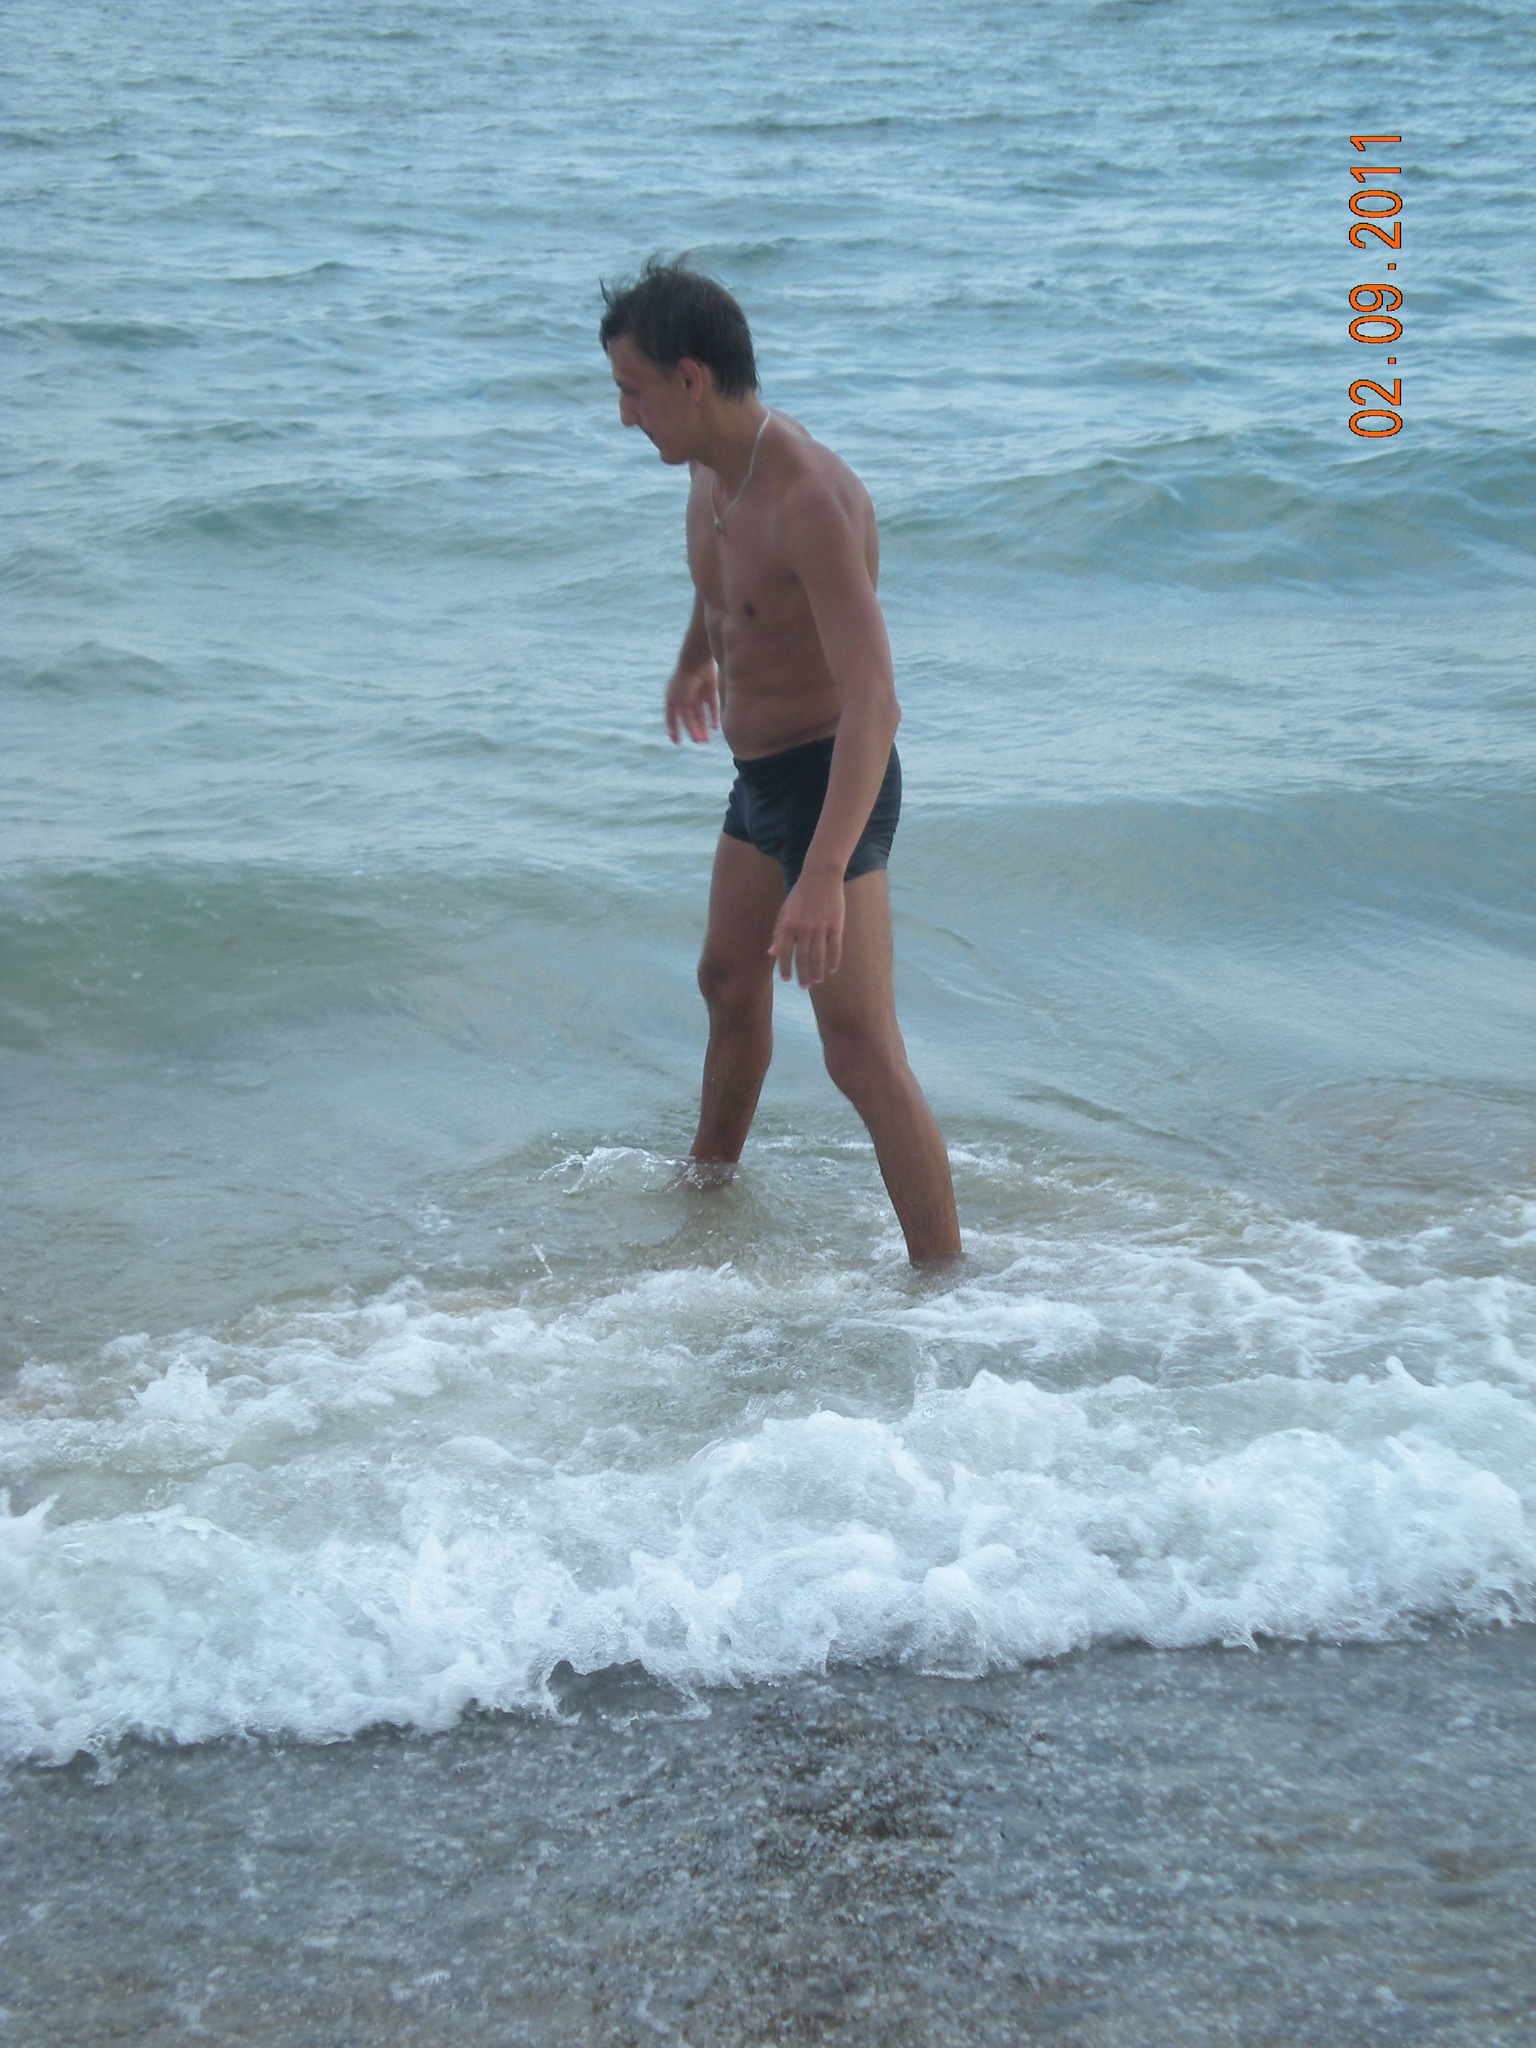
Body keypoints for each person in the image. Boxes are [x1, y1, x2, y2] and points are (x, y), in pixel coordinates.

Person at [600, 258, 961, 1264]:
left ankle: (947, 1276)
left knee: (859, 1052)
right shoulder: (711, 472)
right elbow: (726, 586)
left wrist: (821, 875)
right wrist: (695, 659)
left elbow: (876, 701)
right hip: (758, 779)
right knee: (727, 980)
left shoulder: (809, 498)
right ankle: (709, 1188)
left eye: (632, 391)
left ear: (690, 379)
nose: (625, 416)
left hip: (833, 778)